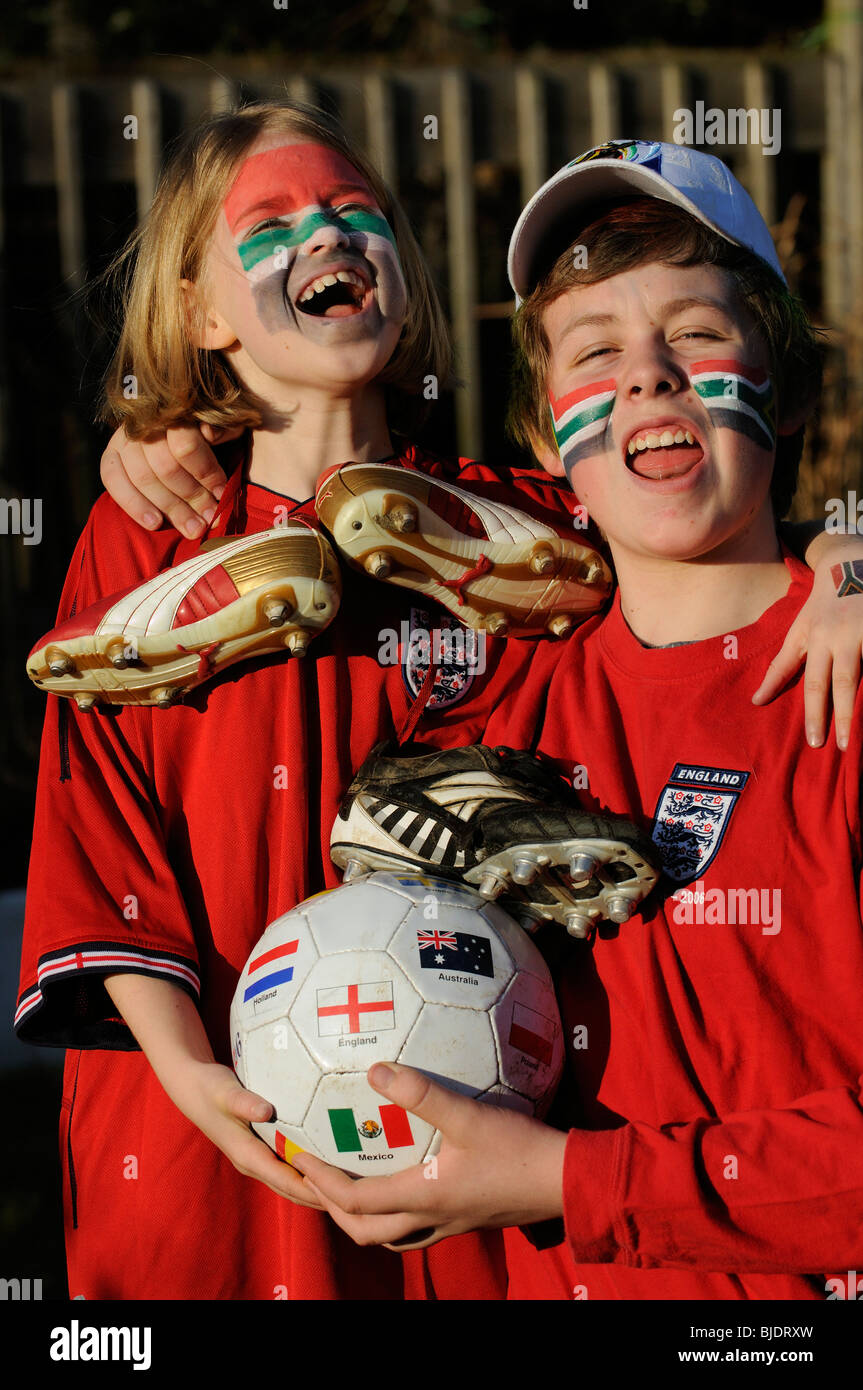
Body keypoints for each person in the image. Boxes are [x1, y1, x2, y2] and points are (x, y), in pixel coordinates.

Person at [18, 98, 635, 1301]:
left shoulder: (539, 528)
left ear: (403, 278)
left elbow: (712, 561)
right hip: (212, 1099)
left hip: (475, 1084)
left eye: (359, 215)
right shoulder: (147, 533)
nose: (330, 238)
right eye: (274, 222)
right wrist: (189, 1074)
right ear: (198, 313)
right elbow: (94, 821)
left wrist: (835, 570)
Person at [268, 141, 863, 1303]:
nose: (647, 377)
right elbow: (272, 516)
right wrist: (157, 440)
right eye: (596, 351)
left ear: (783, 388)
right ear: (547, 448)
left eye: (695, 333)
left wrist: (565, 1178)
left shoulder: (847, 673)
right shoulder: (499, 692)